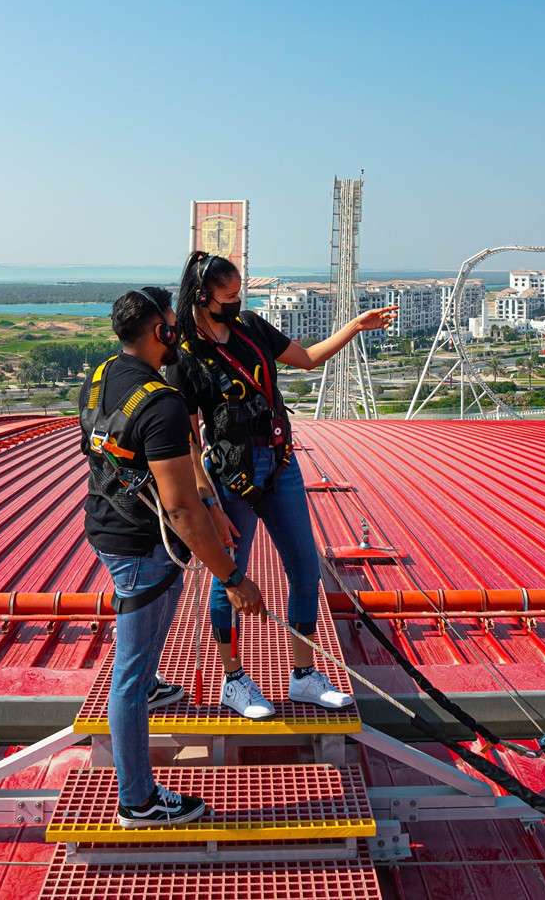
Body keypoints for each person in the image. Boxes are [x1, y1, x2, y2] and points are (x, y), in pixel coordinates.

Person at [170, 251, 396, 720]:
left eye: (239, 294)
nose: (237, 302)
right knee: (228, 578)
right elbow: (190, 439)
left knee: (304, 569)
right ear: (202, 295)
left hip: (280, 462)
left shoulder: (251, 327)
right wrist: (209, 502)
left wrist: (354, 327)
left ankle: (303, 675)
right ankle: (234, 680)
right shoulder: (187, 357)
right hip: (233, 475)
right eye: (228, 296)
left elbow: (308, 359)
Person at [79, 286, 266, 826]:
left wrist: (204, 499)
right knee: (129, 679)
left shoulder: (100, 378)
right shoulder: (161, 403)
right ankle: (138, 801)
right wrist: (231, 577)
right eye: (171, 323)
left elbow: (102, 454)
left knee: (143, 648)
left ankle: (151, 683)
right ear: (161, 330)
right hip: (143, 544)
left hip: (109, 527)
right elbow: (180, 510)